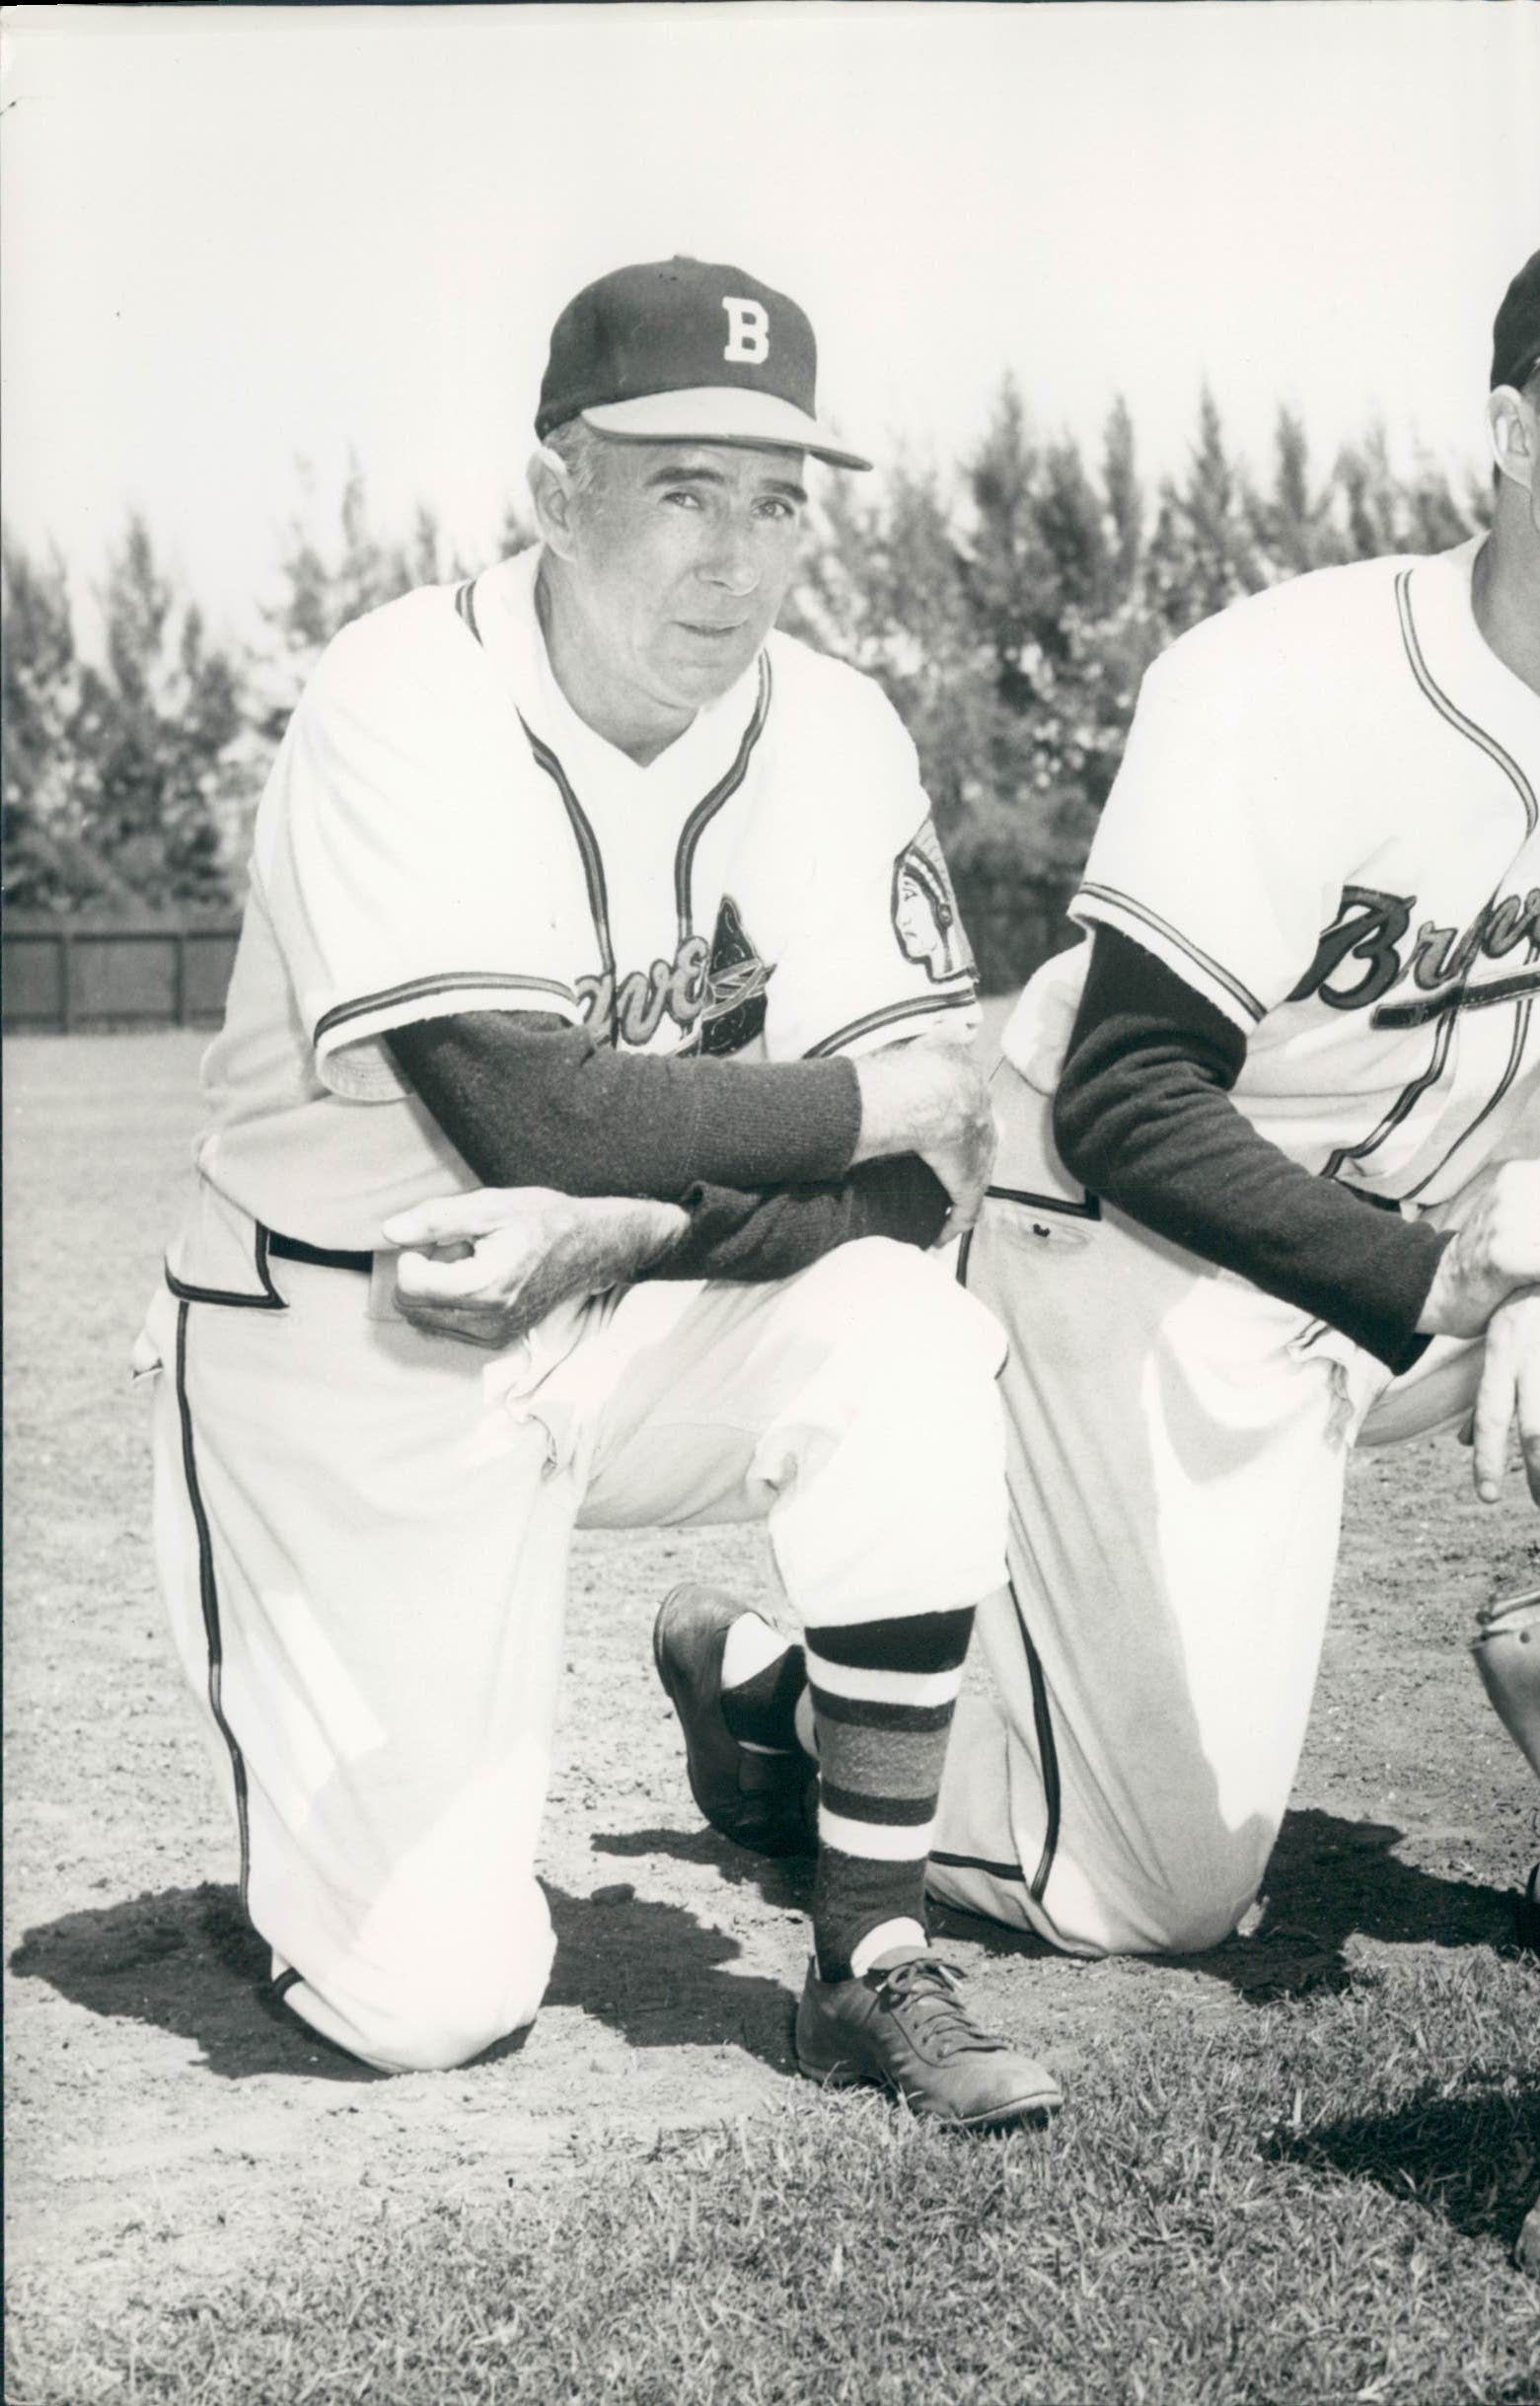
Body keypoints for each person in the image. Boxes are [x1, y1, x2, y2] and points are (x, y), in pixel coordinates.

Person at [673, 222, 1540, 1956]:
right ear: (1512, 438)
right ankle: (786, 1694)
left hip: (1435, 1225)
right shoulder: (1282, 679)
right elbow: (1134, 1095)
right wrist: (1440, 1281)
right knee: (1152, 1903)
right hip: (1146, 1250)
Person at [138, 255, 1069, 2120]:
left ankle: (869, 1944)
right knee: (428, 2007)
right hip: (354, 1336)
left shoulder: (840, 725)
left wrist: (655, 1223)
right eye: (680, 489)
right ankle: (350, 1847)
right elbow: (528, 1121)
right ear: (555, 491)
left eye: (778, 501)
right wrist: (858, 1096)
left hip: (634, 1304)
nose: (736, 555)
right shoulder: (400, 694)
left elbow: (926, 1181)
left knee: (906, 1335)